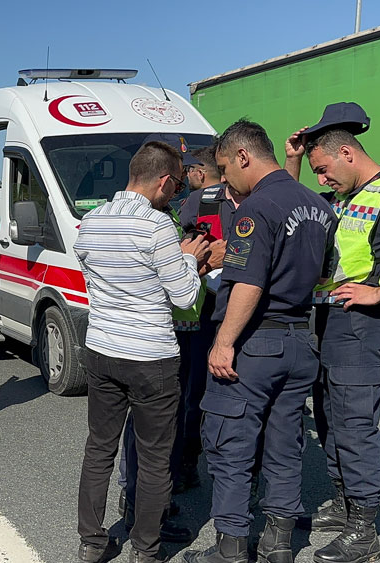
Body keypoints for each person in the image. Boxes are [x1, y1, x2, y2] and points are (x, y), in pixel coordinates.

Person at [184, 120, 337, 563]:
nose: (224, 178)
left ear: (243, 157)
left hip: (256, 343)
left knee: (231, 443)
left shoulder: (256, 209)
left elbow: (248, 283)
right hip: (299, 342)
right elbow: (324, 273)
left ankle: (231, 547)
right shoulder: (319, 207)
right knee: (286, 445)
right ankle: (278, 543)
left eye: (225, 167)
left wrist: (224, 341)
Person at [283, 102, 380, 563]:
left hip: (360, 325)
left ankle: (364, 531)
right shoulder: (344, 195)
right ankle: (345, 507)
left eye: (323, 170)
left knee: (354, 424)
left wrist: (379, 294)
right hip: (328, 318)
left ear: (347, 152)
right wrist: (296, 159)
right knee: (328, 417)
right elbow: (294, 204)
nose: (321, 180)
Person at [73, 142, 209, 563]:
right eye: (177, 186)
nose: (176, 194)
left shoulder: (91, 221)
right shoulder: (158, 227)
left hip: (102, 349)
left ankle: (92, 543)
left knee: (100, 448)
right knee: (153, 457)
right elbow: (185, 295)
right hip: (151, 356)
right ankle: (146, 551)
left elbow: (92, 274)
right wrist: (191, 259)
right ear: (165, 182)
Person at [174, 151, 248, 492]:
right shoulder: (198, 201)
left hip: (245, 304)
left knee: (234, 388)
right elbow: (179, 247)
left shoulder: (256, 196)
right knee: (195, 390)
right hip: (208, 306)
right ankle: (188, 462)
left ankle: (241, 468)